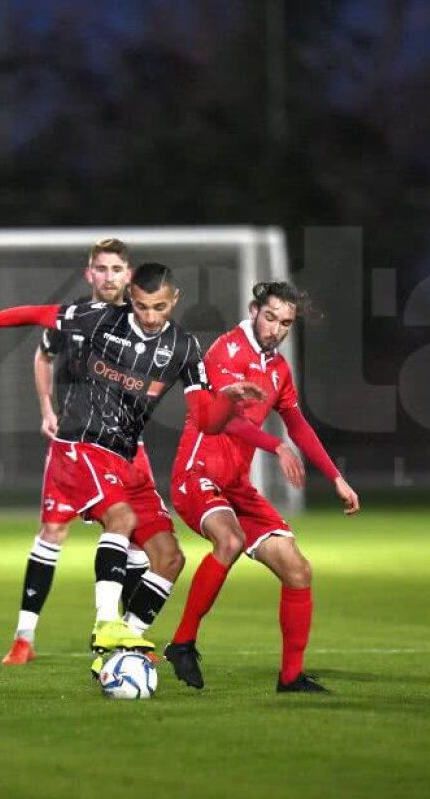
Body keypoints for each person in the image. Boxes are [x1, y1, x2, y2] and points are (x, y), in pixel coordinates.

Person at [0, 263, 264, 672]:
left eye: (159, 307)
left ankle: (121, 646)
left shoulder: (184, 347)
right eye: (142, 306)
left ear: (174, 301)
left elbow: (206, 419)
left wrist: (228, 397)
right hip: (82, 446)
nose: (149, 316)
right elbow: (35, 313)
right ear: (131, 300)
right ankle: (106, 624)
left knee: (169, 558)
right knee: (119, 518)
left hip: (126, 457)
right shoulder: (101, 318)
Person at [163, 281, 360, 693]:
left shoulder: (279, 370)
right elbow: (221, 420)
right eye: (270, 317)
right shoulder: (225, 351)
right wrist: (274, 446)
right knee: (229, 540)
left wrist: (336, 478)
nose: (276, 329)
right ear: (254, 310)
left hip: (235, 486)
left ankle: (290, 677)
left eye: (286, 323)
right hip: (197, 473)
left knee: (297, 569)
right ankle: (182, 642)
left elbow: (298, 424)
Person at [2, 238, 153, 666]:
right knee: (52, 532)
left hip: (125, 446)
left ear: (129, 274)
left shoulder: (143, 318)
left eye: (116, 269)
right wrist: (46, 407)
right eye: (100, 269)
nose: (108, 277)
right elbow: (42, 355)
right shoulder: (69, 319)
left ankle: (122, 635)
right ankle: (24, 638)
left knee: (138, 541)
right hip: (73, 445)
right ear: (90, 274)